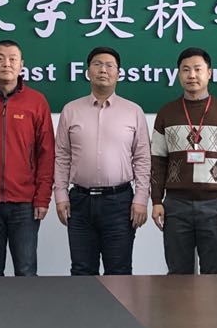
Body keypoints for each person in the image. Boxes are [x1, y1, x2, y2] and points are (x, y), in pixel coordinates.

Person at [54, 45, 150, 276]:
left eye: (109, 65)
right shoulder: (71, 110)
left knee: (119, 272)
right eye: (97, 64)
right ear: (88, 71)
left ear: (118, 73)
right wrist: (60, 195)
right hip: (79, 202)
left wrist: (141, 199)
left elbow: (142, 159)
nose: (103, 70)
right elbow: (62, 156)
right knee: (81, 271)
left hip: (120, 203)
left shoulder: (133, 111)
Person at [150, 47, 217, 275]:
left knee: (215, 274)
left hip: (216, 206)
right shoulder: (166, 113)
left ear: (209, 73)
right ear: (178, 74)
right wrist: (156, 200)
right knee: (178, 274)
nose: (191, 75)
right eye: (185, 70)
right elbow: (157, 161)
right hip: (176, 205)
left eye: (197, 69)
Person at [0, 40, 54, 277]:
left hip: (25, 203)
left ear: (21, 65)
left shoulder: (37, 102)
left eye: (13, 59)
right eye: (0, 58)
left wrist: (42, 197)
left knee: (26, 271)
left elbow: (46, 153)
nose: (7, 63)